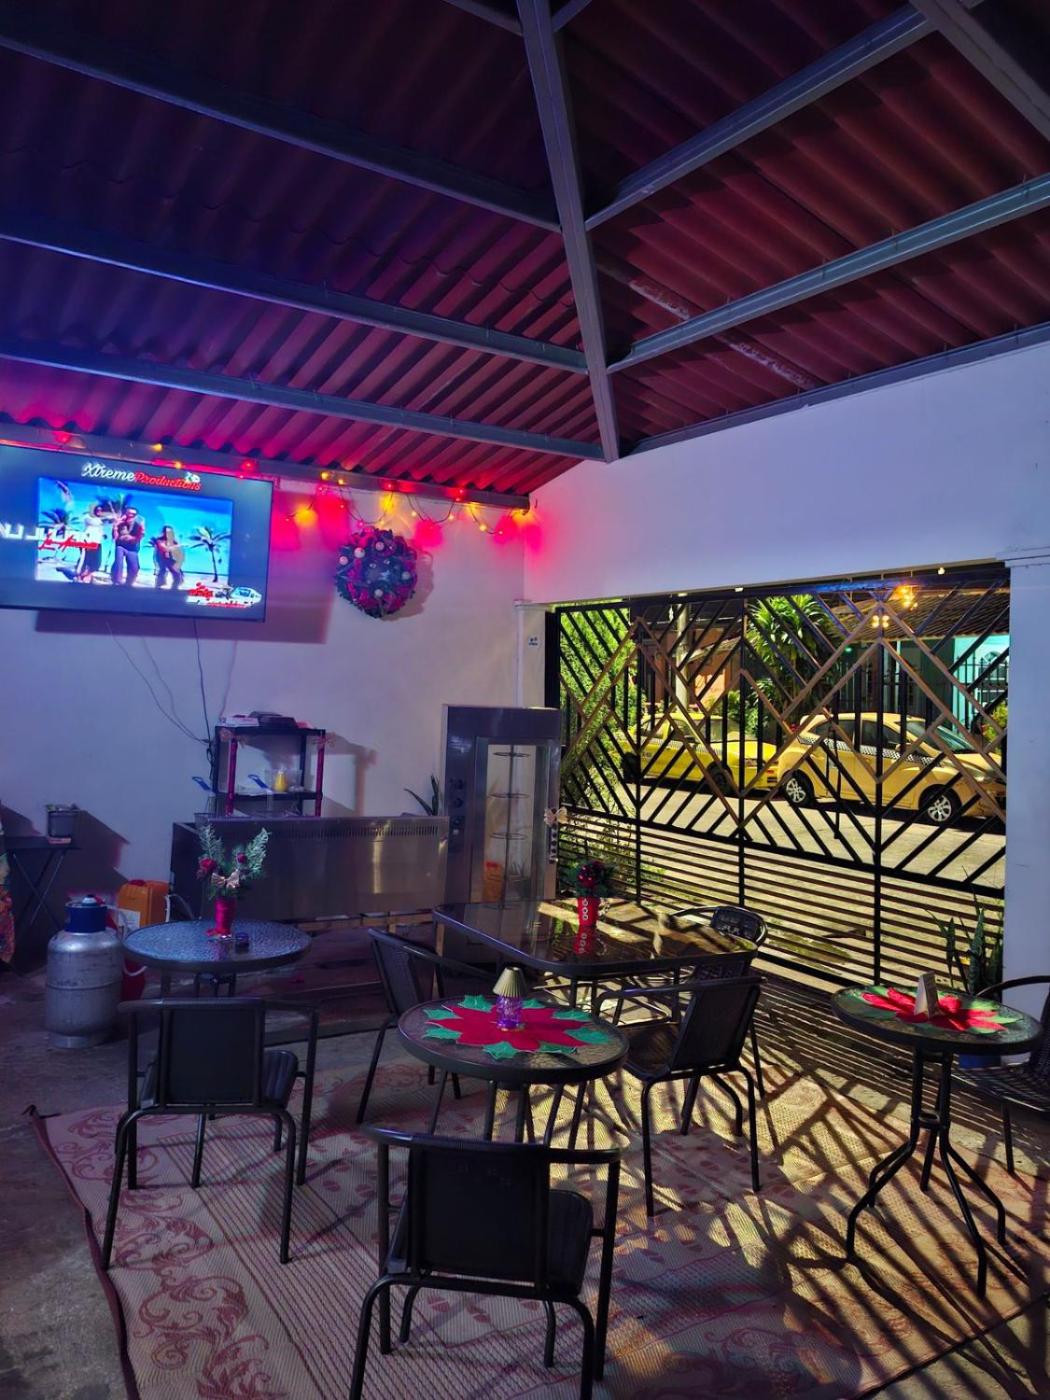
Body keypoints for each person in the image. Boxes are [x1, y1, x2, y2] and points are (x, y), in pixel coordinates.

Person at [111, 506, 145, 586]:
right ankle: (116, 582)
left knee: (134, 568)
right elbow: (115, 537)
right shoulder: (120, 523)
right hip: (121, 546)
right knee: (118, 563)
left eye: (133, 514)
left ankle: (128, 584)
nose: (130, 516)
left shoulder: (138, 524)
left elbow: (140, 537)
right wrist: (115, 526)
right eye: (128, 514)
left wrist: (134, 536)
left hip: (132, 548)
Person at [77, 504, 105, 582]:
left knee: (97, 561)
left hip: (97, 542)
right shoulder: (89, 517)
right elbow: (93, 522)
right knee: (85, 560)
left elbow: (99, 529)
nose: (99, 512)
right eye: (98, 510)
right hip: (87, 541)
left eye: (101, 510)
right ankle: (79, 576)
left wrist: (103, 534)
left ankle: (88, 575)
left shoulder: (100, 520)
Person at [151, 525, 184, 589]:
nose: (168, 533)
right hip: (161, 559)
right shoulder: (159, 540)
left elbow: (177, 553)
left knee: (177, 574)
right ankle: (158, 588)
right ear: (164, 532)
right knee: (162, 572)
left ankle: (174, 588)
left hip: (171, 559)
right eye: (167, 532)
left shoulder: (174, 541)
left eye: (170, 532)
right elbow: (163, 548)